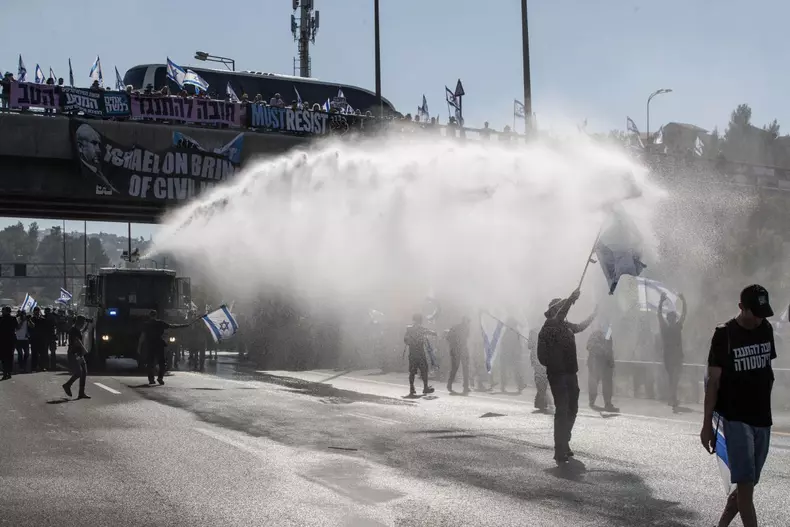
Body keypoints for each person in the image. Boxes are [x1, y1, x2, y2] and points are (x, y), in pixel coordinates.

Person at [701, 285, 776, 527]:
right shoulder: (724, 334)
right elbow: (712, 382)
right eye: (754, 312)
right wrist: (706, 425)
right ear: (741, 307)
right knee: (745, 486)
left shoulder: (765, 328)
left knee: (748, 484)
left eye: (762, 312)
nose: (758, 318)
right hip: (735, 418)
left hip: (763, 418)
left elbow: (767, 370)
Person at [537, 290, 596, 464]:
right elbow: (561, 314)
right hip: (557, 375)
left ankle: (565, 440)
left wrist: (594, 315)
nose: (560, 312)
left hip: (570, 373)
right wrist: (570, 299)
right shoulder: (549, 325)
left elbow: (580, 327)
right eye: (558, 309)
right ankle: (559, 448)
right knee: (562, 410)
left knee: (573, 409)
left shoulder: (566, 326)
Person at [139, 310, 191, 385]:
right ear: (156, 315)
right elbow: (173, 326)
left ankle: (151, 379)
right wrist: (185, 325)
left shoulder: (146, 324)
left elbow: (142, 336)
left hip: (150, 344)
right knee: (162, 363)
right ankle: (160, 378)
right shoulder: (160, 323)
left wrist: (139, 346)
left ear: (150, 316)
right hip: (159, 344)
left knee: (150, 363)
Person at [658, 292, 687, 410]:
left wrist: (661, 302)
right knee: (674, 377)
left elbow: (659, 315)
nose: (674, 319)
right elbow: (684, 314)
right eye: (673, 317)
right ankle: (673, 398)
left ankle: (672, 397)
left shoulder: (670, 326)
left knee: (673, 378)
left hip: (673, 356)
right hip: (672, 357)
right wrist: (684, 301)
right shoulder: (671, 327)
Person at [403, 314, 436, 396]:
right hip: (420, 353)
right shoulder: (422, 329)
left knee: (412, 372)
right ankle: (425, 388)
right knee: (424, 370)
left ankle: (412, 388)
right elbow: (432, 333)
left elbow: (405, 340)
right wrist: (435, 333)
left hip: (412, 353)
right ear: (420, 320)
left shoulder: (409, 329)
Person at [586, 328, 618, 412]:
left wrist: (611, 362)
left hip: (606, 364)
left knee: (607, 384)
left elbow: (609, 349)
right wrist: (602, 350)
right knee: (594, 382)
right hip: (596, 363)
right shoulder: (595, 334)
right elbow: (589, 346)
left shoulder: (608, 334)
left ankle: (607, 403)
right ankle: (592, 401)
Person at [62, 315, 90, 399]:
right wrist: (84, 349)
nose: (83, 324)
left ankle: (81, 393)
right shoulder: (73, 330)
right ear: (79, 322)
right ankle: (67, 385)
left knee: (84, 372)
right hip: (74, 354)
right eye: (83, 323)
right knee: (79, 372)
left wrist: (88, 324)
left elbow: (82, 331)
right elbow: (77, 341)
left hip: (79, 354)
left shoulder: (77, 329)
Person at [499, 317, 526, 393]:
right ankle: (518, 385)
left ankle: (518, 385)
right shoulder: (513, 331)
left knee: (514, 370)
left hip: (510, 354)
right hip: (510, 354)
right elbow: (519, 344)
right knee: (515, 370)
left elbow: (518, 344)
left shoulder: (510, 332)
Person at [445, 316, 471, 394]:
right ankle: (450, 385)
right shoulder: (457, 328)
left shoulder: (459, 328)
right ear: (464, 321)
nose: (468, 323)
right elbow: (448, 337)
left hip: (461, 350)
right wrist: (455, 345)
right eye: (468, 321)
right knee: (457, 368)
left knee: (462, 368)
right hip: (458, 350)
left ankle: (465, 386)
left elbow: (448, 338)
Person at [528, 329, 550, 411]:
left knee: (543, 380)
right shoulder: (534, 332)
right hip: (539, 360)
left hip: (545, 359)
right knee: (541, 380)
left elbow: (529, 346)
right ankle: (541, 401)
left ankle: (540, 401)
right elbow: (529, 345)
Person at [28, 306, 53, 372]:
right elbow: (31, 327)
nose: (37, 312)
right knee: (34, 354)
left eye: (38, 311)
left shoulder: (43, 319)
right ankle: (34, 367)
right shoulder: (31, 319)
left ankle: (42, 367)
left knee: (43, 354)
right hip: (34, 339)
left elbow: (47, 329)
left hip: (42, 339)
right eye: (35, 311)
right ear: (34, 312)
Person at [0, 306, 19, 380]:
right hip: (10, 340)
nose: (2, 312)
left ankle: (6, 372)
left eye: (3, 311)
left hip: (3, 340)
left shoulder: (1, 319)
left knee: (4, 358)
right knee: (9, 357)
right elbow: (17, 327)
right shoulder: (13, 319)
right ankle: (8, 372)